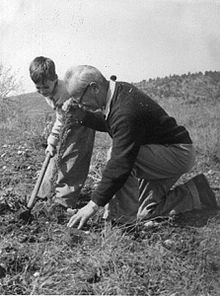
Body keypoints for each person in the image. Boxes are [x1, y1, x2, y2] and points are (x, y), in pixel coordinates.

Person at [63, 65, 217, 229]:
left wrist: (92, 205)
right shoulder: (116, 93)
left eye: (80, 99)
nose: (81, 104)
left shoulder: (125, 109)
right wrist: (82, 116)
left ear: (94, 88)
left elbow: (121, 163)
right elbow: (113, 125)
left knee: (119, 158)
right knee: (144, 213)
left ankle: (120, 224)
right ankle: (197, 192)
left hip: (176, 153)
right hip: (159, 151)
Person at [29, 57, 96, 209]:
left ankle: (63, 201)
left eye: (45, 87)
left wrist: (52, 140)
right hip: (66, 121)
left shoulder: (64, 93)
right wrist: (52, 144)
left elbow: (61, 119)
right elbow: (60, 118)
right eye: (37, 88)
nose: (42, 91)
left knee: (73, 159)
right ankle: (43, 194)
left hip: (82, 123)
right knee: (55, 157)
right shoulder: (48, 92)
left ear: (55, 79)